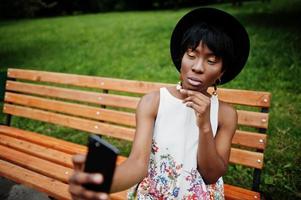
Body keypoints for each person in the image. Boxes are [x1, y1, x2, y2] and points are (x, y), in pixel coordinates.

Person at [68, 7, 250, 200]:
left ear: (222, 72)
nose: (197, 67)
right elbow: (138, 164)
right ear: (181, 57)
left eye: (211, 60)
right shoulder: (154, 102)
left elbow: (211, 174)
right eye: (191, 55)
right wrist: (101, 184)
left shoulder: (225, 114)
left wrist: (205, 126)